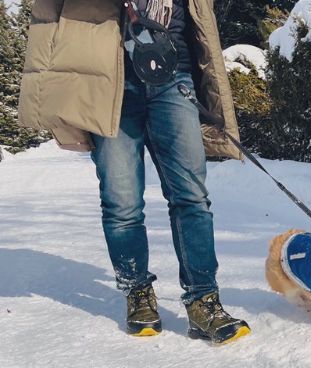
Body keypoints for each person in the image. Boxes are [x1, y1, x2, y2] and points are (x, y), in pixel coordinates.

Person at [18, 0, 251, 345]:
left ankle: (204, 301)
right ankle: (137, 293)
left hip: (174, 73)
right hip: (109, 81)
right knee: (121, 202)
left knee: (192, 196)